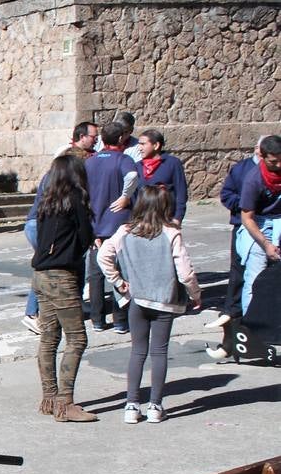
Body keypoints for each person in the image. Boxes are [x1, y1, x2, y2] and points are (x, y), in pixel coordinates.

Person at [97, 186, 201, 424]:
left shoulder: (125, 231)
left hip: (138, 298)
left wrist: (119, 282)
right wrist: (195, 294)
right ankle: (155, 405)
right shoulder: (172, 233)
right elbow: (185, 273)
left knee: (137, 351)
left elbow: (103, 255)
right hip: (165, 300)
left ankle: (132, 405)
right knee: (159, 351)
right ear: (166, 207)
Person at [31, 153, 98, 422]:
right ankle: (65, 403)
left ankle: (49, 398)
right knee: (77, 338)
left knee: (49, 337)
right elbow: (85, 237)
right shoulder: (75, 200)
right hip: (61, 277)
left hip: (40, 274)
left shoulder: (47, 202)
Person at [22, 140, 95, 335]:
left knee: (47, 266)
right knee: (52, 266)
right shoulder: (65, 187)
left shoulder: (56, 180)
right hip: (38, 226)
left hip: (37, 225)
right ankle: (34, 312)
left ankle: (44, 311)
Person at [84, 120, 139, 332]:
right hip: (119, 223)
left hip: (96, 223)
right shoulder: (122, 159)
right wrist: (126, 197)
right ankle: (120, 319)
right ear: (120, 139)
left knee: (97, 272)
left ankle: (97, 319)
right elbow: (133, 176)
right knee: (121, 271)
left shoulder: (90, 162)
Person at [213, 138, 266, 330]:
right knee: (239, 269)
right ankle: (233, 309)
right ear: (256, 149)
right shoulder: (241, 169)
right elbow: (227, 195)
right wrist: (246, 204)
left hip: (267, 225)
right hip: (243, 224)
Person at [235, 134, 281, 317]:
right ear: (262, 157)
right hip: (259, 225)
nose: (278, 166)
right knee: (255, 277)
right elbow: (247, 218)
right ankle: (251, 326)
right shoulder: (253, 179)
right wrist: (266, 244)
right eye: (273, 162)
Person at [135, 129, 188, 223]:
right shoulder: (138, 166)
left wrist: (178, 218)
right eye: (139, 144)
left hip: (166, 220)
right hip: (142, 222)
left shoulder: (172, 163)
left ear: (156, 145)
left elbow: (181, 192)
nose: (139, 148)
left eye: (143, 144)